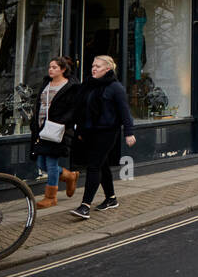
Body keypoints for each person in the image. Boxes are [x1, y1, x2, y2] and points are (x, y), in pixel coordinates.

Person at [69, 55, 136, 220]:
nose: (94, 68)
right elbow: (79, 107)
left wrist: (129, 132)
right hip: (89, 131)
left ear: (108, 69)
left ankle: (85, 206)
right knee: (102, 165)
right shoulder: (88, 84)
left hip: (107, 132)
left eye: (98, 66)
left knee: (94, 166)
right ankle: (111, 198)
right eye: (93, 65)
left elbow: (124, 112)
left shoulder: (115, 87)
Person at [29, 56, 81, 208]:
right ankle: (70, 176)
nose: (50, 70)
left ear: (63, 70)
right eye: (50, 67)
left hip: (58, 130)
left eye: (54, 67)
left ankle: (50, 197)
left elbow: (74, 109)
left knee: (51, 163)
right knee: (41, 163)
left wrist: (63, 122)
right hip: (41, 129)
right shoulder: (46, 83)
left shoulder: (71, 86)